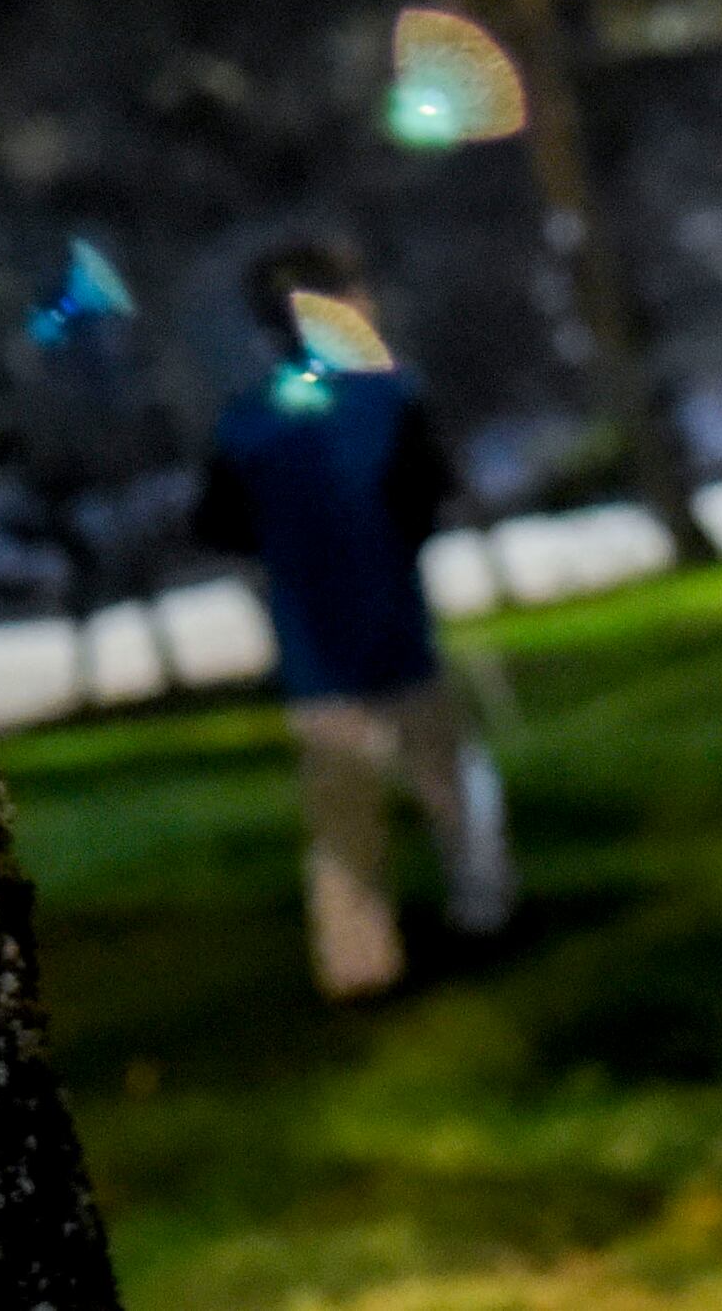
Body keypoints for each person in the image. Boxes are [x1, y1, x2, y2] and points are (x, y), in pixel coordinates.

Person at [189, 245, 515, 998]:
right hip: (397, 628)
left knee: (341, 817)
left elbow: (218, 522)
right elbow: (426, 494)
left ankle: (359, 961)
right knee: (451, 785)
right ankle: (484, 914)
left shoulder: (248, 420)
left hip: (311, 646)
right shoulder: (388, 399)